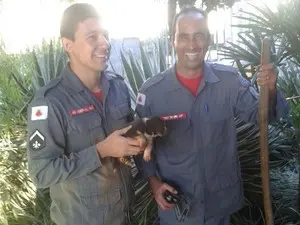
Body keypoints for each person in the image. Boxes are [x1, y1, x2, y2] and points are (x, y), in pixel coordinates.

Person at [135, 5, 289, 225]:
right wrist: (153, 183)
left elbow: (262, 116)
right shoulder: (152, 93)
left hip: (220, 205)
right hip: (178, 208)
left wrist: (271, 89)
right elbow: (140, 146)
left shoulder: (229, 82)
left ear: (209, 39)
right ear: (173, 41)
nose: (191, 44)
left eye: (199, 36)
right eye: (184, 37)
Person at [26, 3, 142, 225]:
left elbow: (129, 137)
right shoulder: (50, 102)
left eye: (105, 35)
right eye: (92, 37)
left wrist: (142, 138)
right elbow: (41, 173)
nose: (104, 43)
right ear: (68, 44)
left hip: (125, 217)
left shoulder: (117, 88)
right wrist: (101, 151)